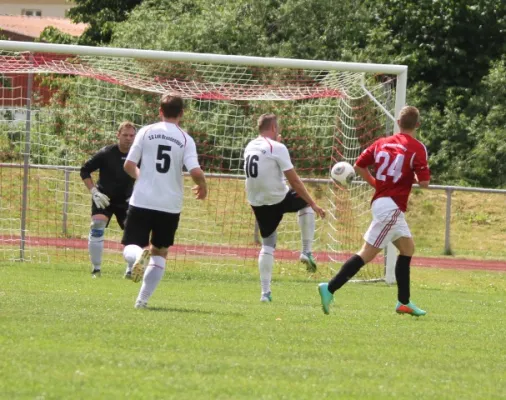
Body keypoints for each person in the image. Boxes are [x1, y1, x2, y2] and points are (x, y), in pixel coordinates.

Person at [318, 105, 430, 316]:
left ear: (398, 123)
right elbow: (424, 182)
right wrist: (414, 176)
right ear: (418, 125)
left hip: (382, 202)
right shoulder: (417, 148)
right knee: (367, 253)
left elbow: (359, 165)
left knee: (407, 249)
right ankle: (330, 288)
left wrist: (375, 183)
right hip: (392, 206)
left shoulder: (381, 143)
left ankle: (403, 302)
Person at [122, 94, 207, 309]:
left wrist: (142, 177)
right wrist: (203, 185)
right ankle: (142, 301)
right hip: (169, 205)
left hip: (142, 200)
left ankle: (139, 255)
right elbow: (195, 170)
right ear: (181, 114)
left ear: (160, 111)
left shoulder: (146, 131)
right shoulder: (185, 139)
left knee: (131, 246)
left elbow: (129, 165)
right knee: (160, 253)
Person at [244, 114, 326, 302]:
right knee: (304, 202)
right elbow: (295, 180)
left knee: (268, 244)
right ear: (273, 127)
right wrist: (313, 203)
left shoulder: (250, 146)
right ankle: (306, 251)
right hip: (277, 198)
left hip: (257, 201)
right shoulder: (278, 147)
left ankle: (265, 293)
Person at [80, 121, 137, 278]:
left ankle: (131, 270)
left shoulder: (138, 154)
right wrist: (94, 192)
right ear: (118, 135)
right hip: (103, 198)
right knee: (97, 224)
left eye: (132, 135)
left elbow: (146, 176)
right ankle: (96, 269)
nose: (128, 138)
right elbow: (84, 170)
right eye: (125, 135)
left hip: (127, 200)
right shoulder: (106, 153)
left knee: (133, 234)